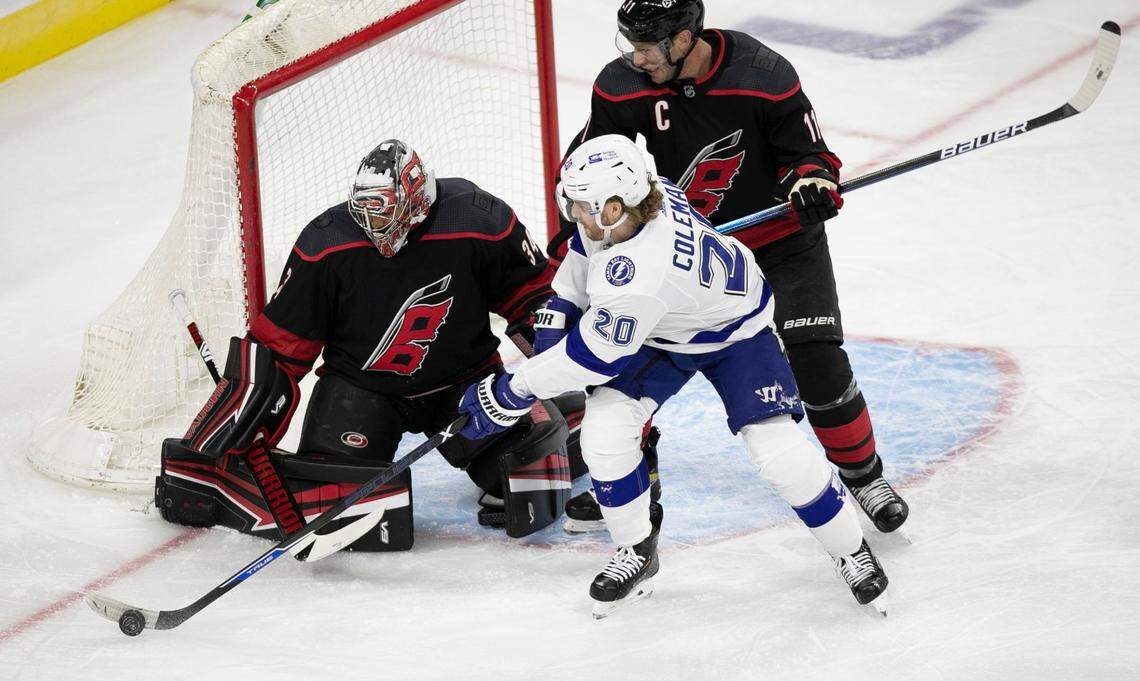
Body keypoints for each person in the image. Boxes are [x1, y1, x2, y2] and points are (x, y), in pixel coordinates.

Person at [459, 134, 889, 617]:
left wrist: (513, 390)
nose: (573, 214)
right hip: (666, 328)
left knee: (779, 453)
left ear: (615, 207)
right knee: (604, 435)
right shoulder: (638, 199)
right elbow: (579, 266)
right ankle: (636, 551)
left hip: (736, 335)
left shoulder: (637, 276)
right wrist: (554, 317)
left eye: (582, 205)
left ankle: (851, 549)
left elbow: (592, 359)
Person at [551, 0, 908, 536]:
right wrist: (575, 242)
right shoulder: (620, 86)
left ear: (685, 37)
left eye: (648, 46)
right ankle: (638, 486)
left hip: (778, 243)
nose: (637, 57)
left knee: (815, 359)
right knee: (623, 367)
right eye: (631, 43)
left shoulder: (763, 75)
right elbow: (591, 165)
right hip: (683, 256)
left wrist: (811, 180)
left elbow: (810, 154)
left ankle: (862, 476)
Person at [155, 139, 575, 548]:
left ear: (415, 202)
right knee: (331, 499)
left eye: (384, 215)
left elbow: (533, 295)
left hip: (464, 385)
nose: (374, 228)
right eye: (366, 215)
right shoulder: (326, 243)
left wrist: (553, 363)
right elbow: (279, 350)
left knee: (532, 478)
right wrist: (233, 430)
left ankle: (576, 415)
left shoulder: (478, 218)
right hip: (361, 391)